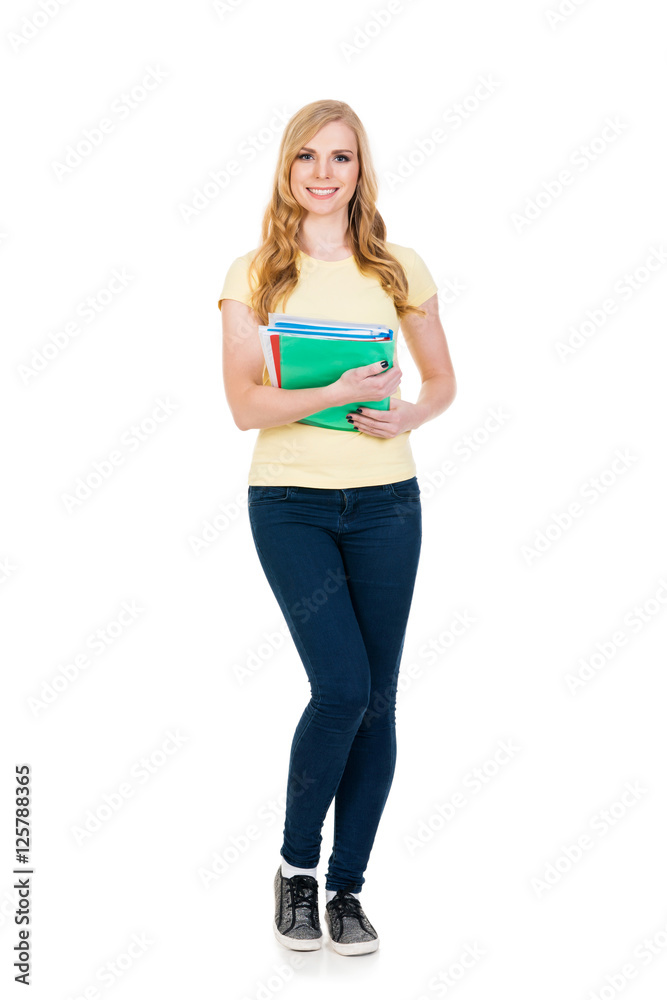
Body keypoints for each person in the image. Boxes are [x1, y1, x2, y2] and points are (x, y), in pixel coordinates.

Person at [218, 99, 456, 956]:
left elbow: (440, 382)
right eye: (307, 158)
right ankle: (296, 869)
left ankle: (348, 888)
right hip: (290, 503)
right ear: (287, 170)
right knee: (342, 689)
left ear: (361, 171)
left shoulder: (398, 267)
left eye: (341, 158)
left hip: (388, 504)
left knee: (378, 700)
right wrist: (335, 392)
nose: (324, 173)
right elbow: (245, 404)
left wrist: (409, 415)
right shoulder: (255, 274)